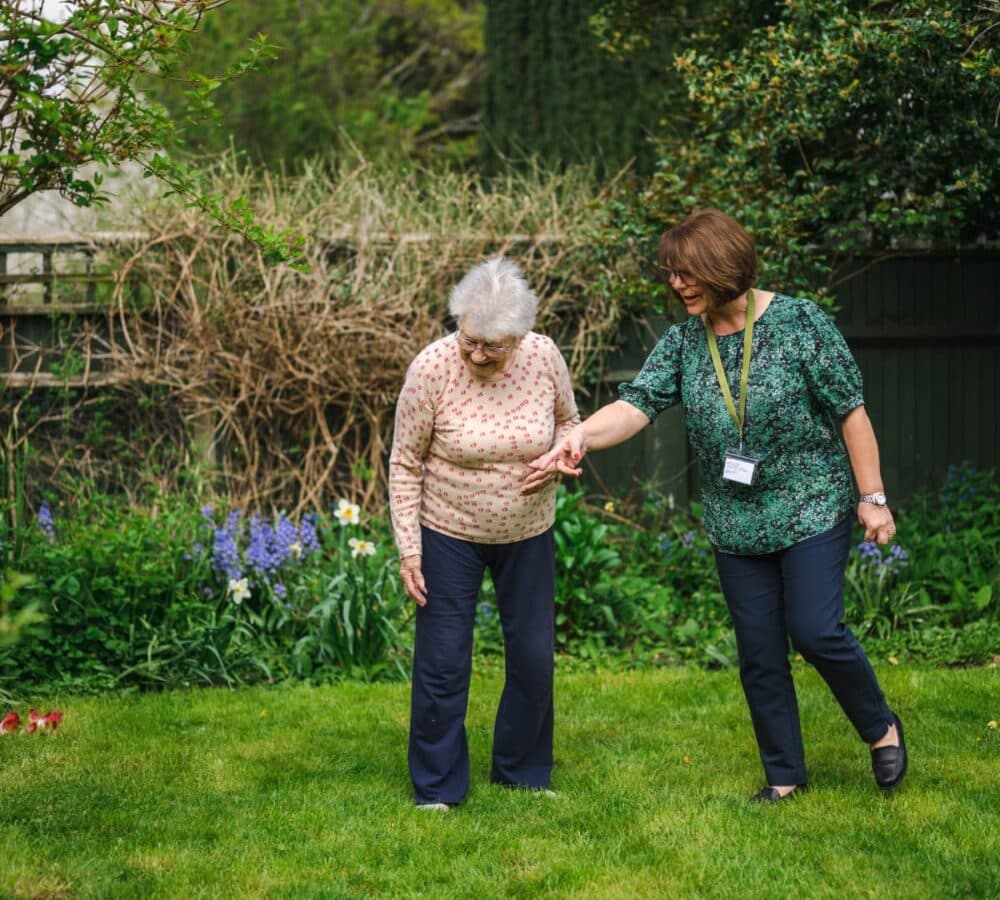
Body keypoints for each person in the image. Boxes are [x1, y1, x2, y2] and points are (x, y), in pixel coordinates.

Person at [525, 209, 908, 803]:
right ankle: (784, 776)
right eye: (672, 275)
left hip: (810, 503)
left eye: (686, 273)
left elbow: (850, 410)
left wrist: (873, 498)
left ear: (723, 266)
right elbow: (636, 405)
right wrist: (577, 437)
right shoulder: (683, 341)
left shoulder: (799, 321)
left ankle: (880, 727)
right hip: (735, 520)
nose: (677, 285)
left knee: (815, 630)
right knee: (758, 651)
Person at [389, 256, 580, 810]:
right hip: (448, 531)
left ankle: (522, 772)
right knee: (444, 661)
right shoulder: (431, 368)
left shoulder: (544, 357)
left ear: (519, 337)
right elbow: (405, 462)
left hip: (529, 532)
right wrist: (410, 549)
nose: (477, 354)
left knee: (533, 657)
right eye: (469, 340)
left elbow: (570, 422)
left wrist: (563, 452)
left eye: (493, 347)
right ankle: (437, 787)